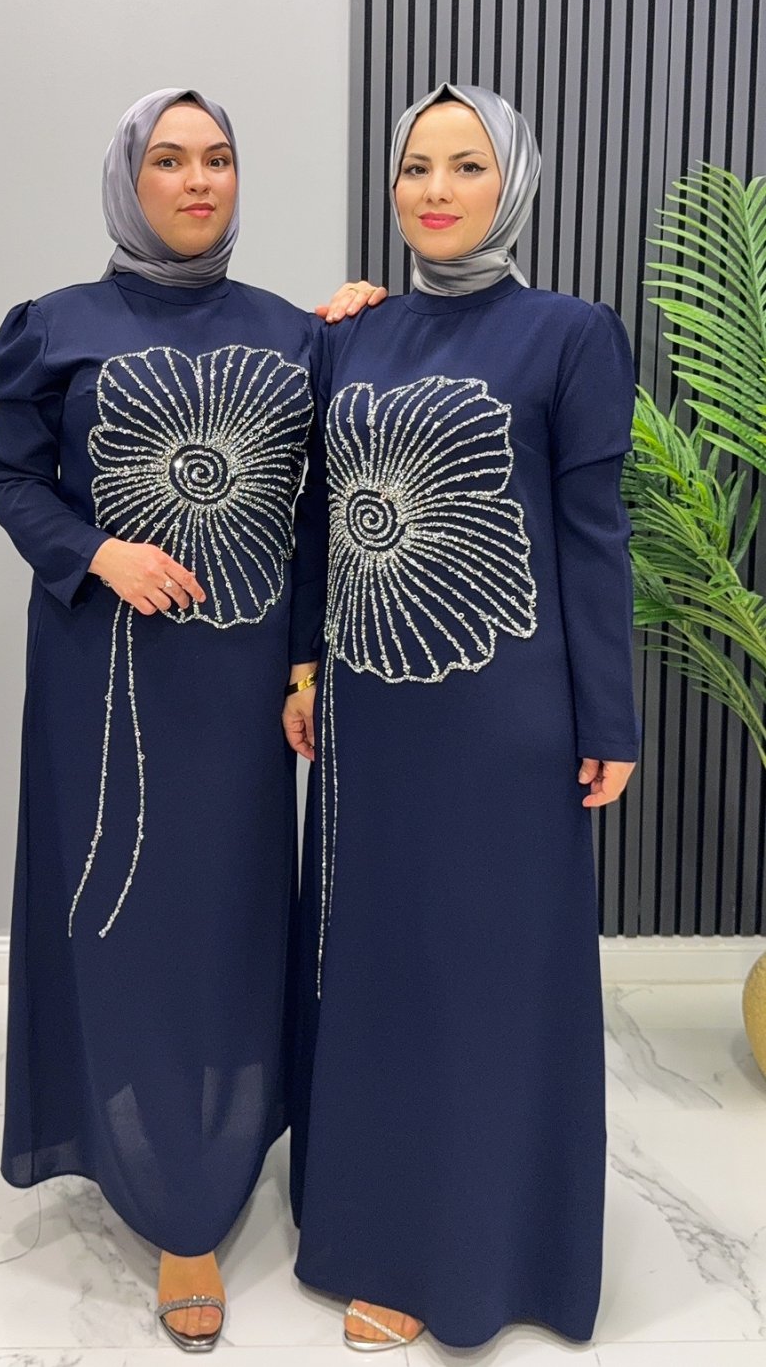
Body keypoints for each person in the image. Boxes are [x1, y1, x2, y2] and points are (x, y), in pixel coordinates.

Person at [0, 87, 382, 1352]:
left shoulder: (294, 334)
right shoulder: (55, 326)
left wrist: (306, 667)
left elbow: (318, 515)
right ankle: (164, 1197)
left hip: (245, 688)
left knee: (228, 921)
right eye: (168, 159)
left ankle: (212, 1165)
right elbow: (12, 478)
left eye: (216, 158)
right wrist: (96, 552)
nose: (197, 180)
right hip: (103, 676)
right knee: (122, 923)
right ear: (130, 179)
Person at [283, 82, 640, 1352]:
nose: (435, 191)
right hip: (373, 718)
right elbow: (318, 522)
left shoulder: (570, 334)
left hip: (507, 720)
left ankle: (489, 1253)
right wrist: (304, 669)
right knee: (383, 973)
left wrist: (609, 719)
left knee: (491, 978)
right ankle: (384, 1236)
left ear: (513, 183)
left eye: (466, 166)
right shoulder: (350, 335)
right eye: (415, 168)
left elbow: (593, 537)